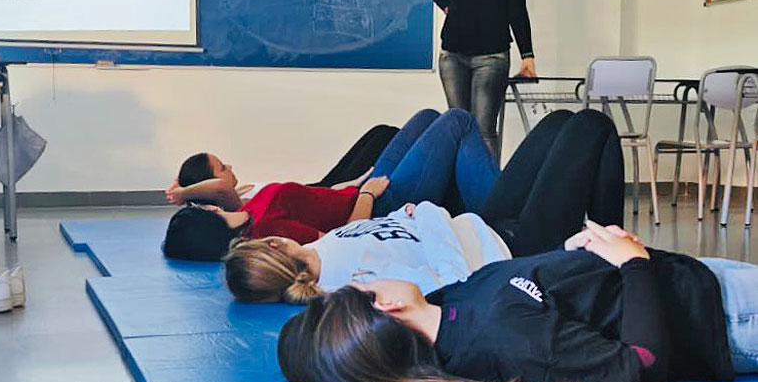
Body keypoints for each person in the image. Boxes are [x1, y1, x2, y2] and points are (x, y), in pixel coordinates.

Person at [277, 221, 756, 382]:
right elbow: (643, 363)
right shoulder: (503, 342)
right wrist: (633, 264)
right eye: (364, 283)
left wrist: (573, 259)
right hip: (725, 316)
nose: (372, 277)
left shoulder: (450, 303)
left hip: (697, 275)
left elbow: (537, 291)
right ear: (385, 307)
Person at [225, 108, 624, 302]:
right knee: (591, 124)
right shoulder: (353, 281)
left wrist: (404, 215)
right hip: (513, 250)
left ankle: (608, 254)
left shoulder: (322, 249)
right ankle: (614, 262)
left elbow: (388, 230)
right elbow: (452, 284)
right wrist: (430, 215)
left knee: (556, 121)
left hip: (484, 223)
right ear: (274, 247)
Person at [162, 107, 501, 260]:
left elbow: (313, 199)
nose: (206, 203)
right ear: (208, 215)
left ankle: (477, 207)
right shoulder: (267, 230)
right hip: (380, 205)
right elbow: (345, 240)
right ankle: (498, 216)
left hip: (359, 191)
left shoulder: (249, 209)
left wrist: (353, 184)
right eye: (203, 208)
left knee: (427, 116)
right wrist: (367, 194)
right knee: (457, 121)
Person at [431, 0, 535, 154]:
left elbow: (517, 11)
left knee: (483, 127)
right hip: (452, 56)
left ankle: (487, 191)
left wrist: (527, 56)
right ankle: (459, 189)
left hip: (491, 57)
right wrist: (447, 7)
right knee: (457, 124)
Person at [166, 124, 400, 212]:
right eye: (222, 167)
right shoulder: (231, 207)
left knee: (381, 131)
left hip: (313, 188)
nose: (229, 166)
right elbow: (218, 188)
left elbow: (213, 185)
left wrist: (181, 184)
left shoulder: (238, 192)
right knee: (388, 136)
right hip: (326, 194)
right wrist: (182, 193)